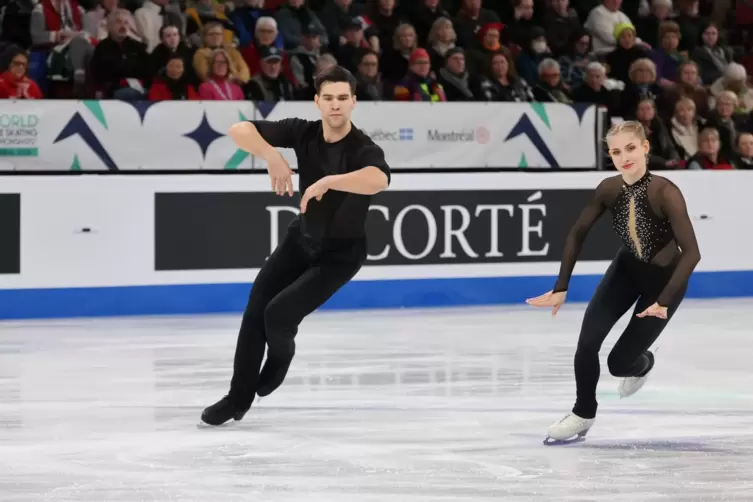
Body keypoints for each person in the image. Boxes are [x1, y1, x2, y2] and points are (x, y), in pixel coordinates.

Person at [200, 65, 390, 426]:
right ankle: (237, 400)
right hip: (300, 240)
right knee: (255, 312)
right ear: (318, 102)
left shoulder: (363, 147)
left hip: (341, 255)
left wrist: (330, 182)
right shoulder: (303, 132)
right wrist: (272, 155)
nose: (336, 105)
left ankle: (282, 356)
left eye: (343, 98)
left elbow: (378, 180)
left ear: (354, 102)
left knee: (279, 314)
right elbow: (240, 129)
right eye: (329, 98)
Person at [526, 120, 701, 445]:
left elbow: (692, 254)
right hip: (625, 270)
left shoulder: (666, 192)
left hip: (663, 284)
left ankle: (644, 362)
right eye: (617, 151)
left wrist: (663, 301)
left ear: (645, 148)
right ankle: (583, 412)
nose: (625, 157)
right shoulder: (608, 189)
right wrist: (561, 286)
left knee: (618, 364)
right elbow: (577, 233)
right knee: (586, 344)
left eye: (631, 148)